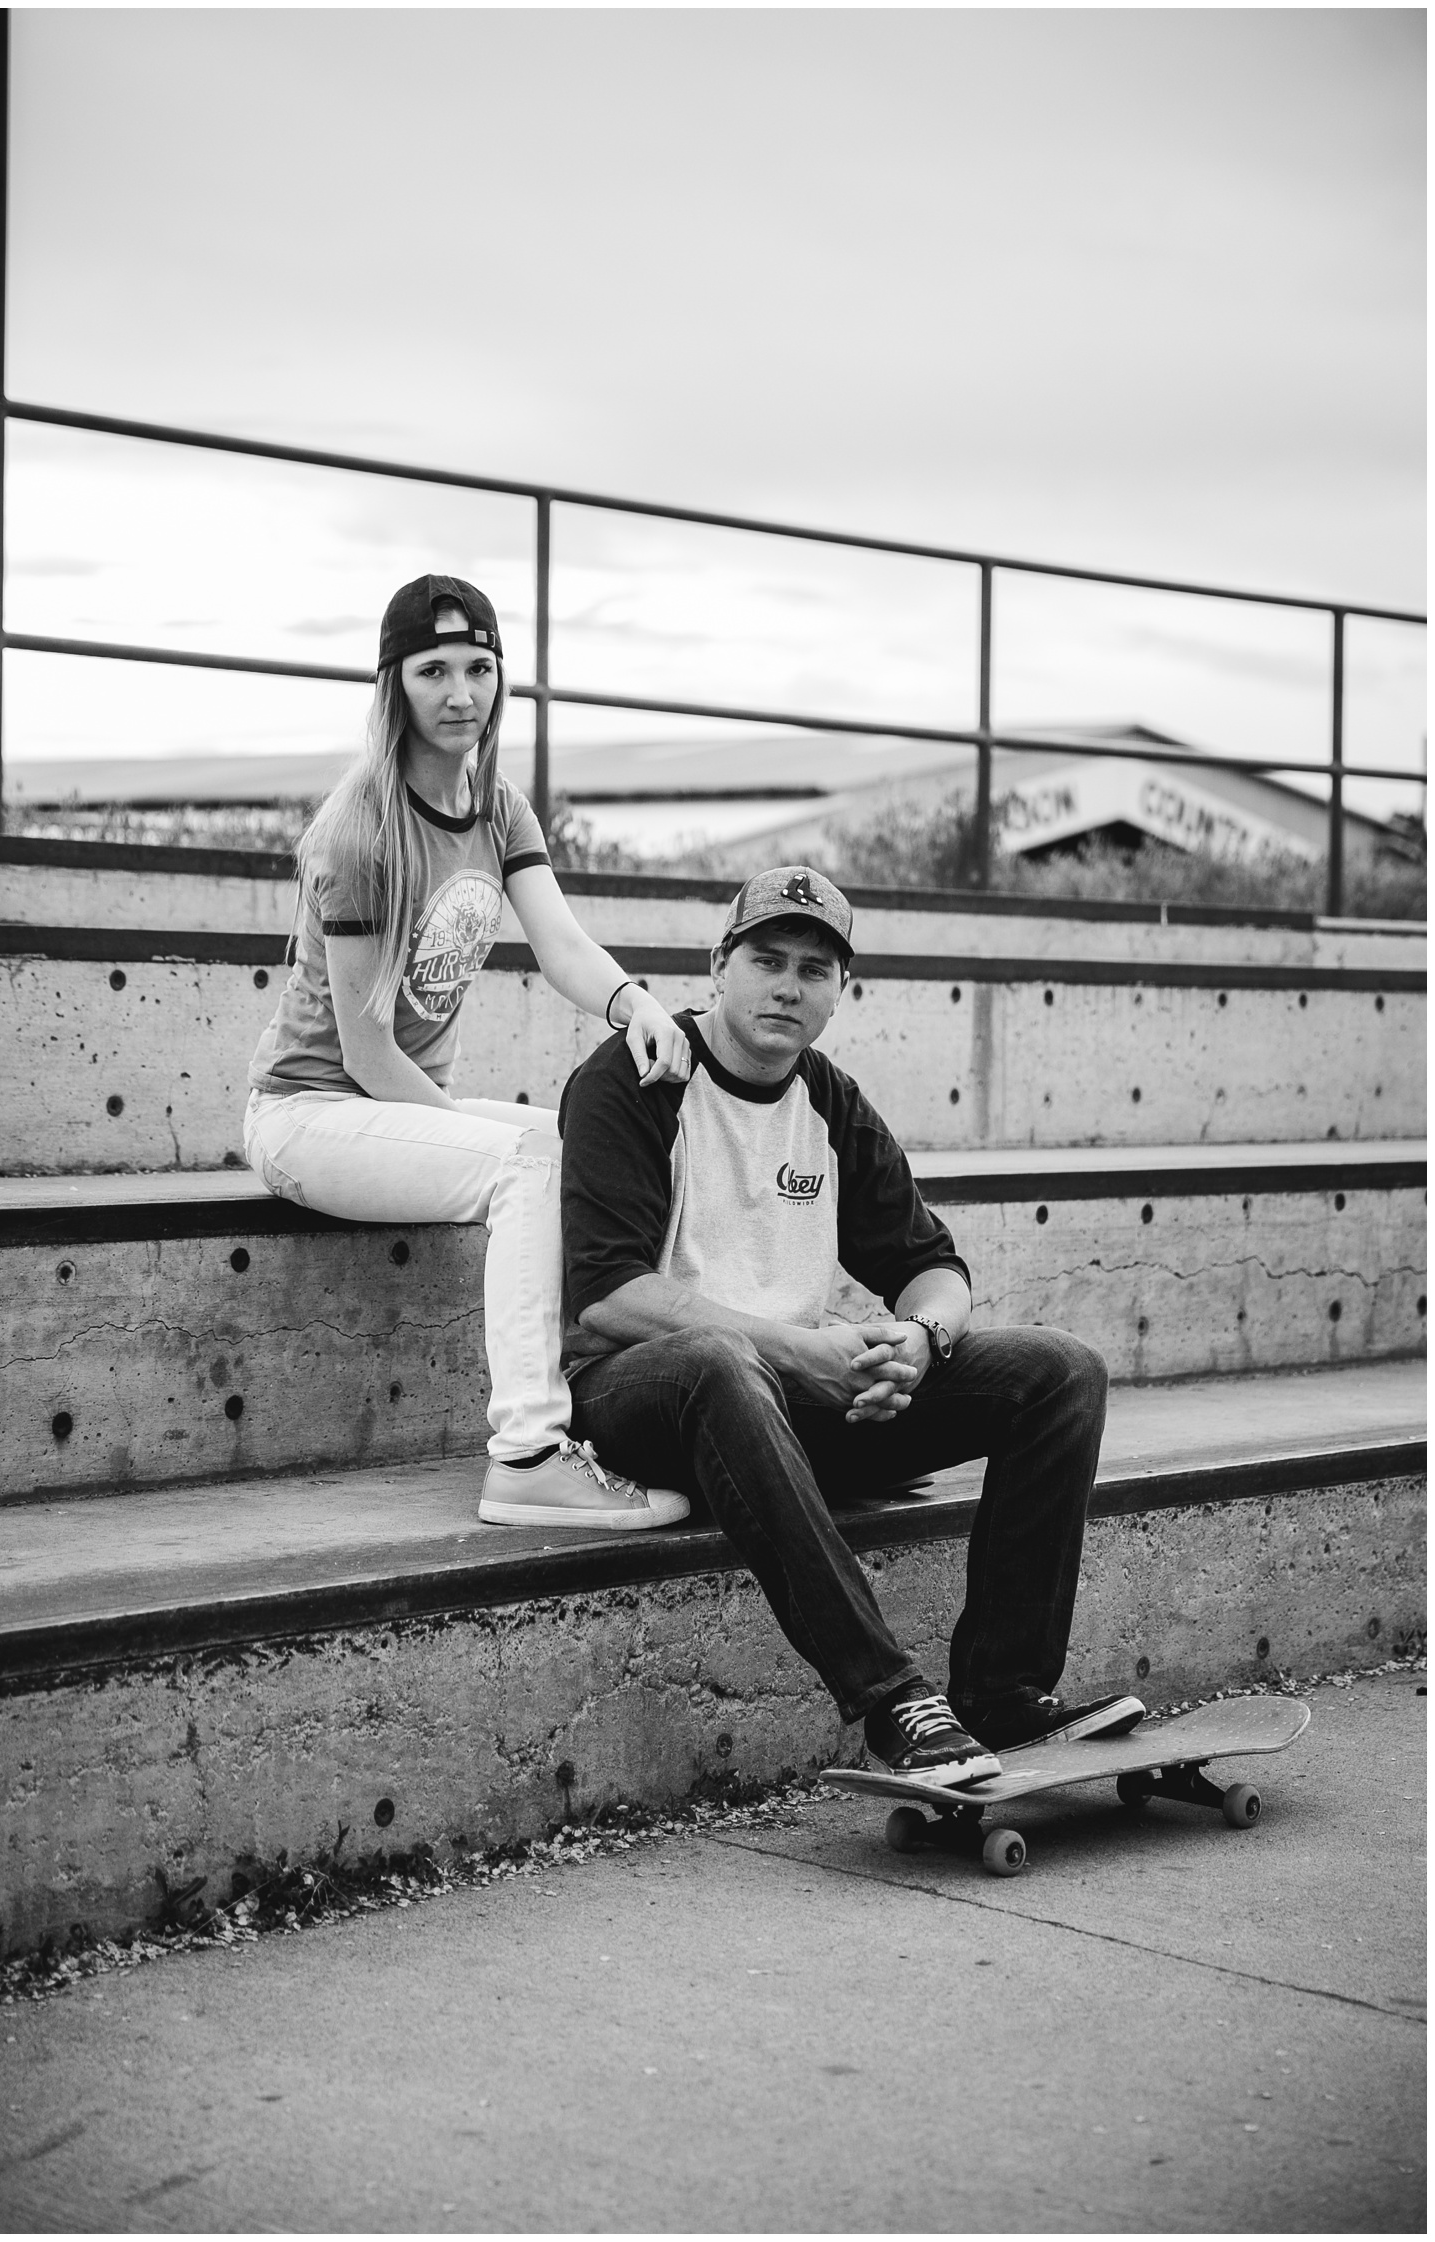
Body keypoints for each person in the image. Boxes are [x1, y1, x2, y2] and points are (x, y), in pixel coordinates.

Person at [556, 864, 1144, 1784]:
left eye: (815, 969)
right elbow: (606, 1292)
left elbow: (933, 1270)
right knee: (719, 1360)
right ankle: (891, 1700)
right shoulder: (638, 1073)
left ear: (839, 992)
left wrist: (921, 1341)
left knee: (1061, 1372)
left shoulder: (827, 1099)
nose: (789, 985)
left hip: (792, 1410)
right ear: (719, 964)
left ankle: (1005, 1695)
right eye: (767, 959)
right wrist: (796, 1351)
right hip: (645, 1400)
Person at [244, 572, 691, 1533]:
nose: (461, 694)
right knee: (530, 1167)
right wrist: (483, 1147)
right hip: (309, 1115)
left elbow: (561, 943)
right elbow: (364, 1053)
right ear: (392, 686)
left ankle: (660, 1390)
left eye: (480, 669)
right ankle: (528, 1452)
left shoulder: (500, 809)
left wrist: (634, 1003)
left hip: (399, 1106)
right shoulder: (360, 831)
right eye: (434, 670)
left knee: (600, 1150)